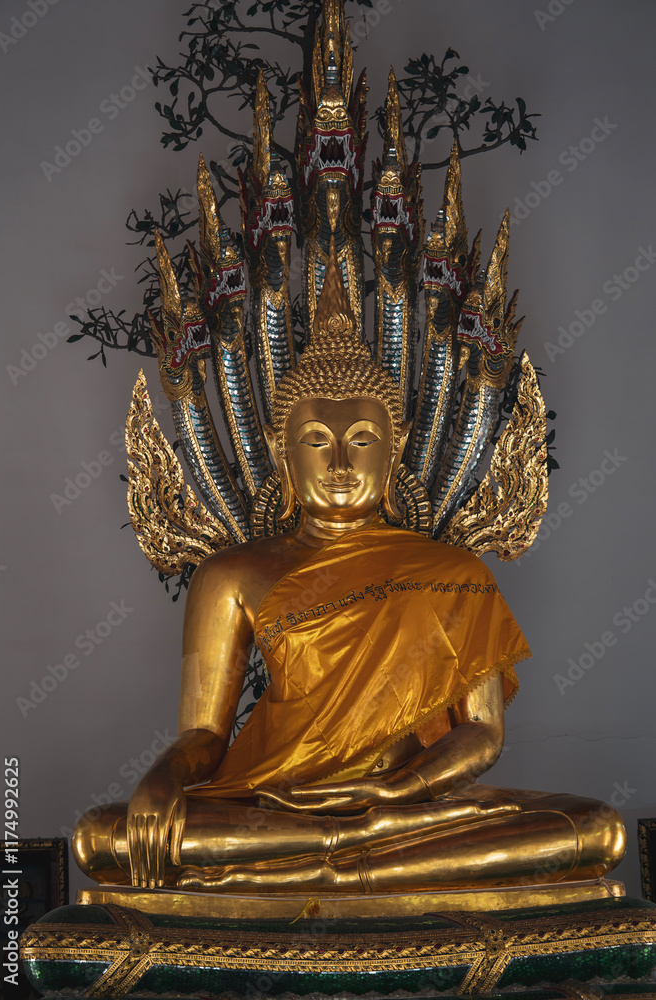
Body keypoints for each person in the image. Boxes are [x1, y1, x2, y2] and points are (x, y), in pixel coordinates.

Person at [73, 256, 625, 893]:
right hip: (275, 800)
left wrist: (395, 791)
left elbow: (482, 732)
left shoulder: (452, 571)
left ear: (395, 450)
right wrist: (165, 776)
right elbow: (203, 735)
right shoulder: (231, 576)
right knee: (102, 835)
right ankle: (345, 856)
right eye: (315, 441)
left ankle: (328, 858)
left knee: (593, 828)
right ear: (283, 454)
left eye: (362, 439)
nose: (338, 460)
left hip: (407, 806)